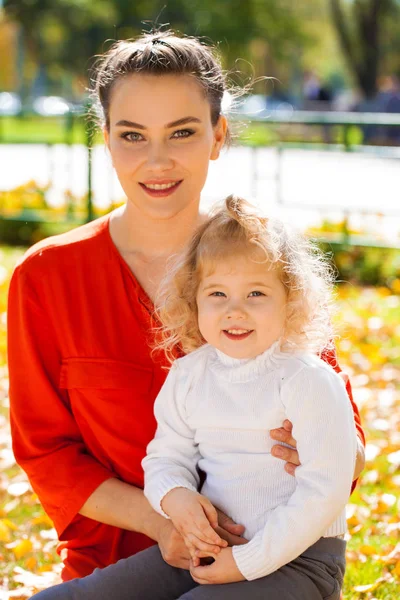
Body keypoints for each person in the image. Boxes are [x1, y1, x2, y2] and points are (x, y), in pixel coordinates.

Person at [8, 29, 365, 586]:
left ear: (218, 135)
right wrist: (163, 520)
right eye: (132, 134)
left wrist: (320, 451)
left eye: (182, 132)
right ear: (105, 138)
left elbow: (349, 446)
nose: (157, 160)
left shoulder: (265, 261)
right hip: (116, 563)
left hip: (270, 554)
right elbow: (46, 452)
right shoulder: (47, 276)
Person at [31, 195, 358, 599]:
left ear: (289, 300)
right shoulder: (190, 374)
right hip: (204, 548)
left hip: (301, 559)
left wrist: (247, 561)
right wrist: (176, 496)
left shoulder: (307, 379)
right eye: (217, 294)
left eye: (256, 293)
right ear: (194, 300)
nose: (234, 310)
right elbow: (167, 456)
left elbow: (324, 491)